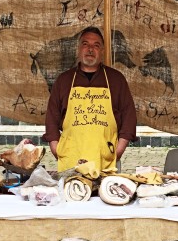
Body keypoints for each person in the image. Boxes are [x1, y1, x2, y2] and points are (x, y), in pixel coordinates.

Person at [43, 26, 137, 172]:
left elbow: (129, 117)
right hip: (70, 158)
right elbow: (51, 118)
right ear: (79, 49)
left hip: (105, 159)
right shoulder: (64, 80)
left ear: (103, 51)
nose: (90, 49)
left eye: (96, 45)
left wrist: (118, 150)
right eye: (85, 44)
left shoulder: (116, 80)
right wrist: (56, 149)